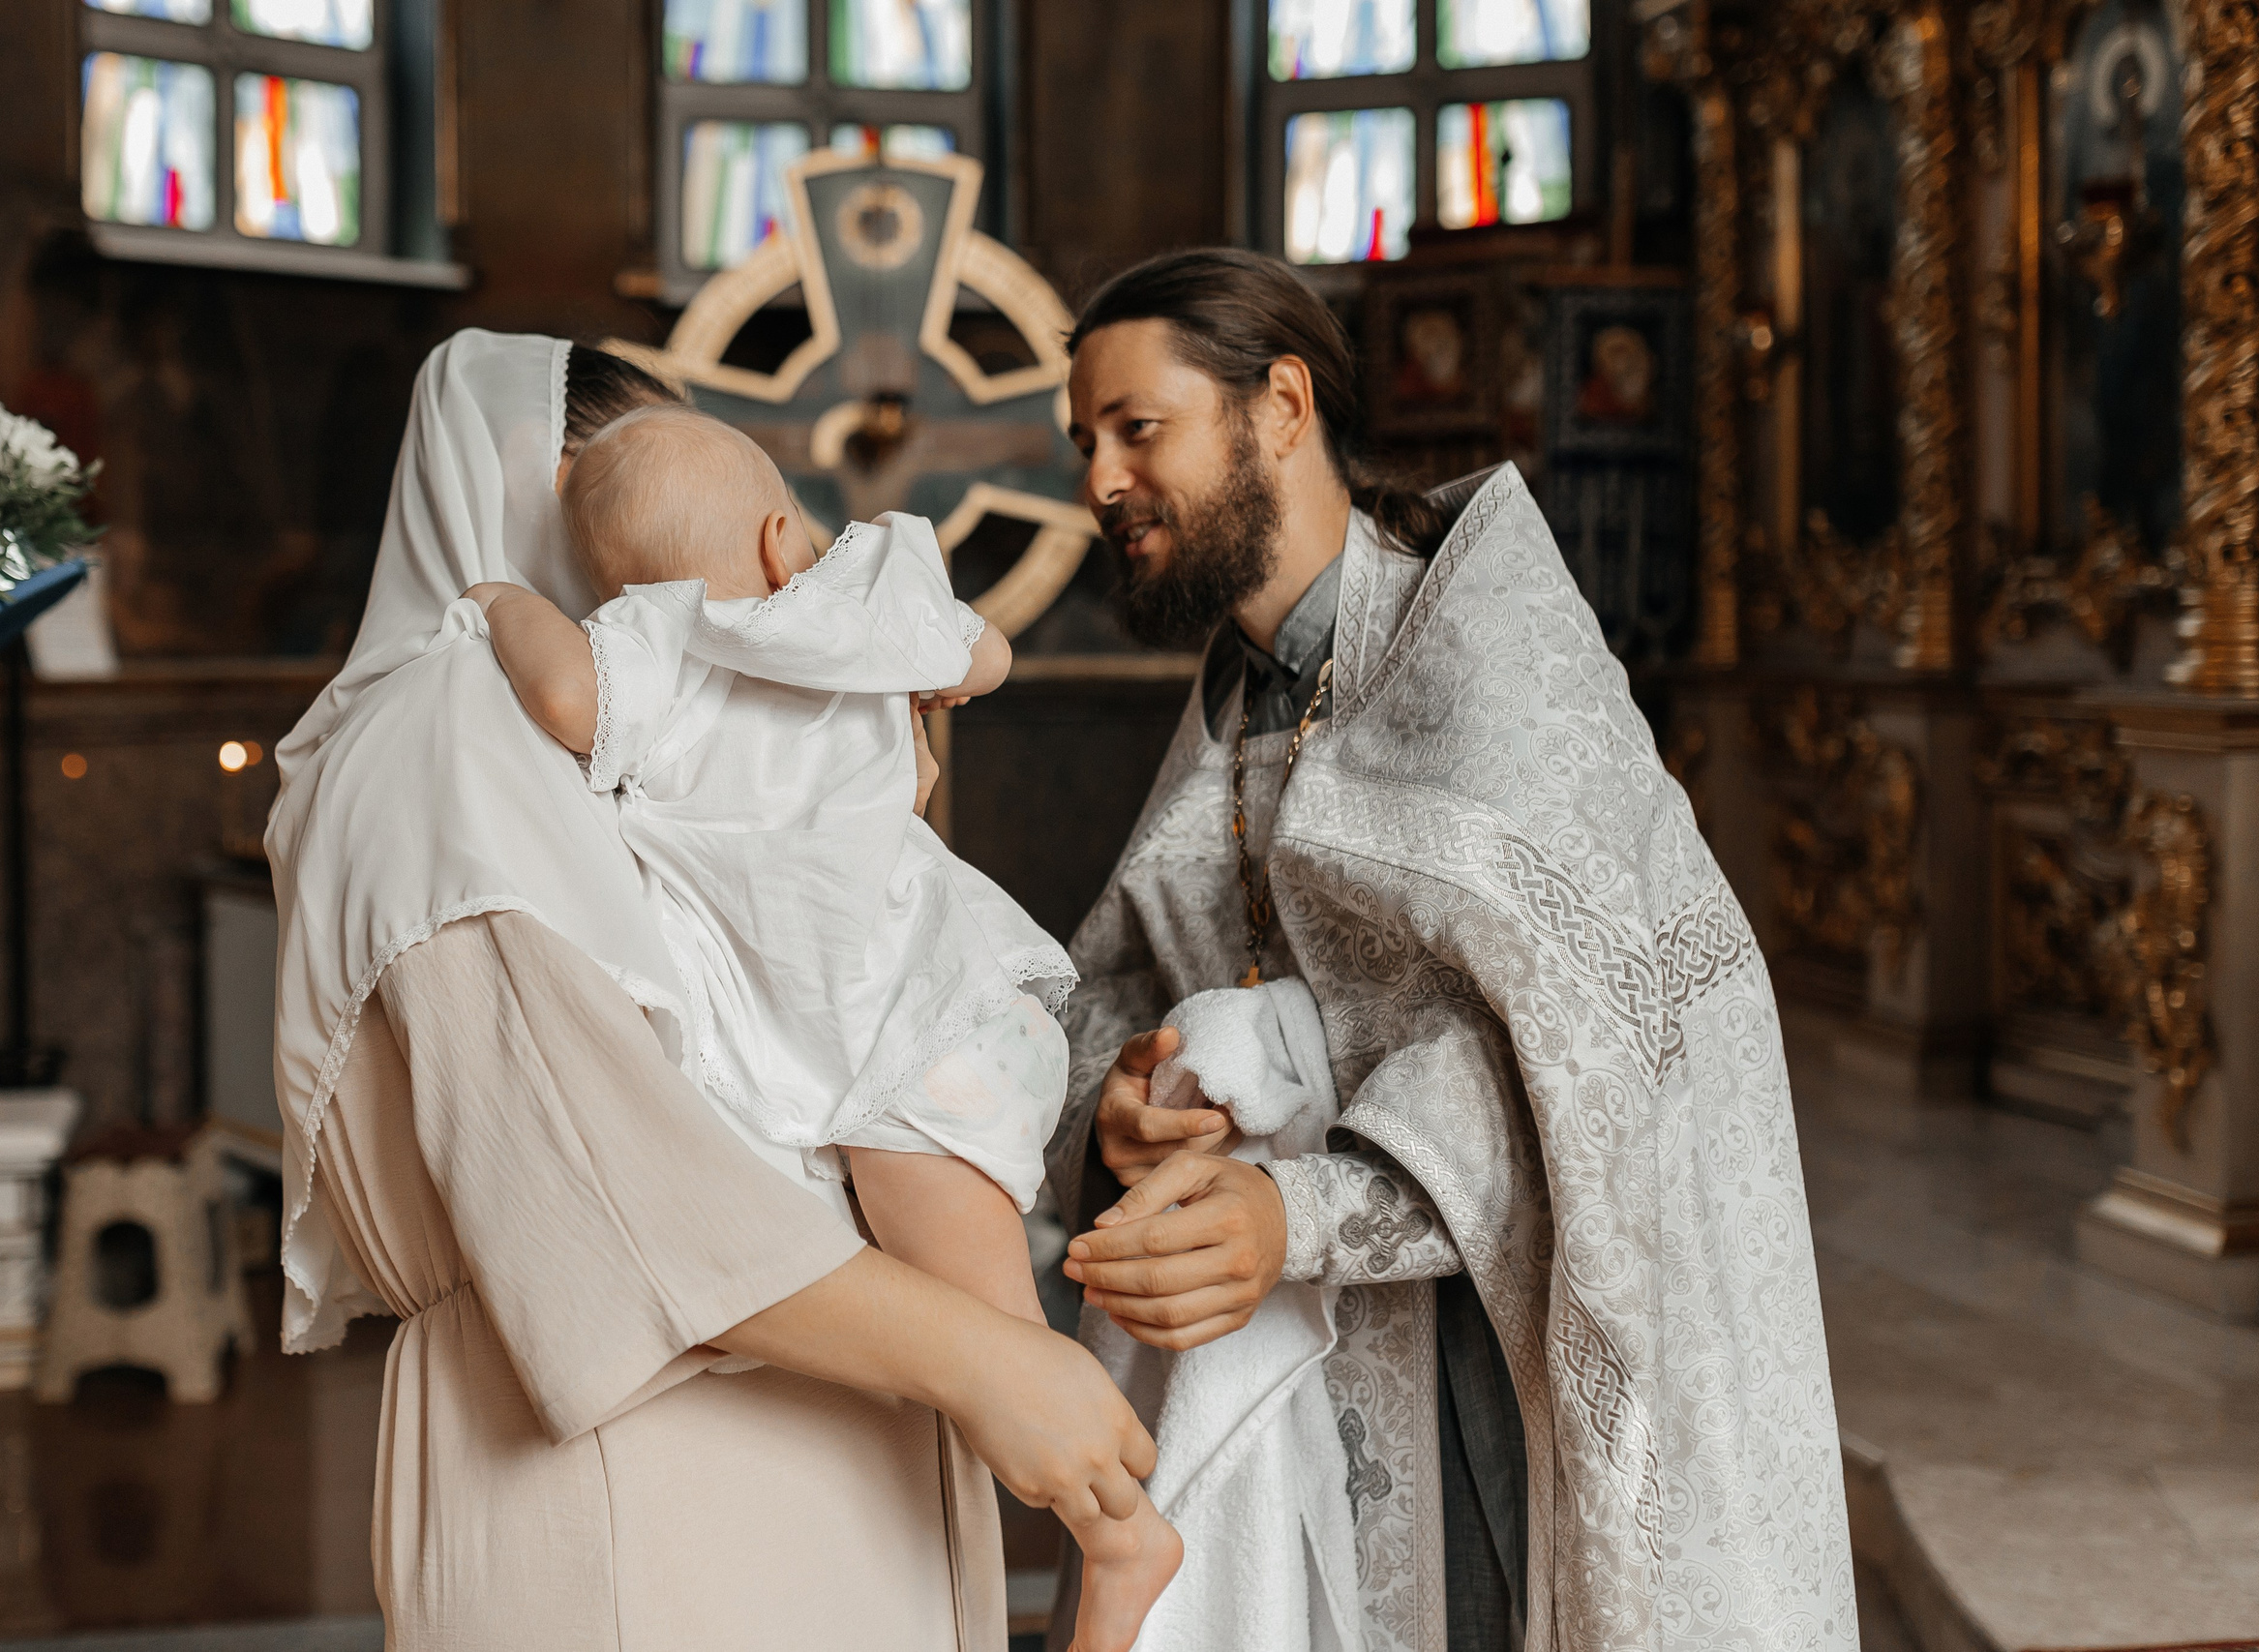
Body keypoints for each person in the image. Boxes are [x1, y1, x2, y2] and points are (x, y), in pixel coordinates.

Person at [269, 330, 1159, 1651]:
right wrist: (990, 1358)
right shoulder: (450, 727)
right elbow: (598, 1184)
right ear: (541, 493)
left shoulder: (641, 739)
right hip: (651, 1482)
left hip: (817, 1424)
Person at [1044, 250, 1857, 1652]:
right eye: (1085, 444)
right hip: (1308, 1350)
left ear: (1278, 406)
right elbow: (1144, 963)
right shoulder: (1240, 693)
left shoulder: (1478, 648)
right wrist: (1127, 1089)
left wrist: (1298, 1214)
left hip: (1497, 1342)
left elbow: (1582, 1047)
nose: (1100, 481)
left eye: (1137, 429)